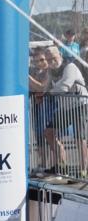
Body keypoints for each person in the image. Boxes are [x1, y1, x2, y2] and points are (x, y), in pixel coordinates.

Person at [42, 45, 88, 178]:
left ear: (60, 55)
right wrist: (41, 94)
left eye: (53, 57)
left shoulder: (70, 67)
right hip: (65, 107)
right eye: (48, 59)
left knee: (80, 138)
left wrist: (48, 93)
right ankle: (62, 166)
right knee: (49, 133)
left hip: (80, 105)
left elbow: (64, 86)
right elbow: (47, 85)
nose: (51, 61)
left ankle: (83, 171)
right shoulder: (51, 71)